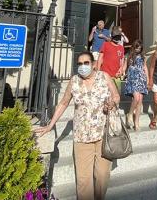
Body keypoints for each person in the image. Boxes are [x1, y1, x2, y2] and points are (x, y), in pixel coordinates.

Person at [35, 51, 120, 200]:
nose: (82, 66)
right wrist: (50, 125)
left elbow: (116, 96)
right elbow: (63, 103)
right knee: (83, 181)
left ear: (93, 64)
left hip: (103, 135)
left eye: (86, 63)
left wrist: (112, 103)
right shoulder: (74, 81)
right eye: (79, 64)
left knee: (102, 176)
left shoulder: (104, 77)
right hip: (82, 137)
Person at [122, 40, 148, 130]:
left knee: (140, 101)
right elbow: (124, 66)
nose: (138, 49)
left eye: (140, 48)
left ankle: (136, 122)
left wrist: (147, 79)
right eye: (137, 47)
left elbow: (145, 67)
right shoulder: (128, 55)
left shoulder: (143, 56)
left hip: (141, 78)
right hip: (132, 78)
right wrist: (121, 72)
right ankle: (130, 114)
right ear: (134, 46)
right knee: (136, 98)